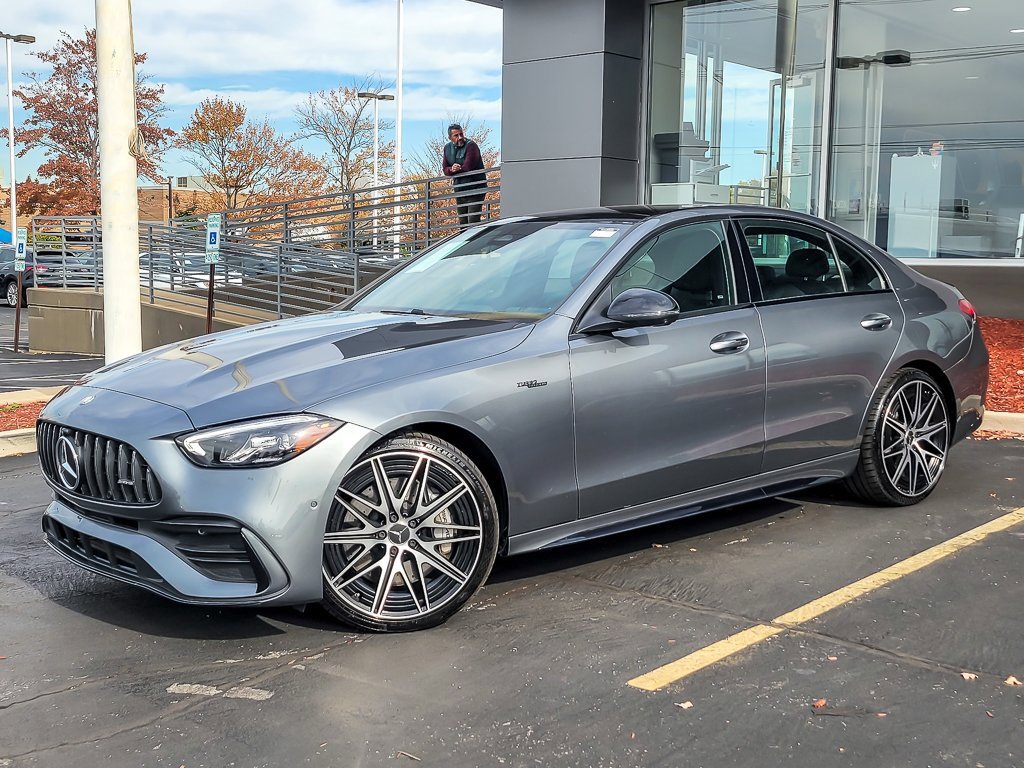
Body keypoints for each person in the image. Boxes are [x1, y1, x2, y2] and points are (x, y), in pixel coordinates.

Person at [442, 124, 487, 226]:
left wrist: (456, 169)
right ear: (450, 138)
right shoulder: (447, 148)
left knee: (473, 220)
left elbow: (468, 167)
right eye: (456, 135)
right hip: (460, 190)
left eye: (461, 134)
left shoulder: (471, 145)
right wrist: (451, 169)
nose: (460, 137)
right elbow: (445, 169)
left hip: (476, 188)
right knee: (463, 222)